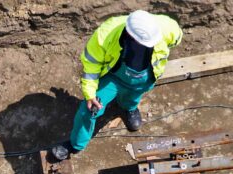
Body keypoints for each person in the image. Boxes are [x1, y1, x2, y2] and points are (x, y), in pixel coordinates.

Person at [51, 10, 182, 161]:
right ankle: (75, 145)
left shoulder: (167, 27)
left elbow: (177, 38)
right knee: (88, 111)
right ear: (129, 34)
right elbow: (91, 66)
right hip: (114, 78)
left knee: (132, 98)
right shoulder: (106, 34)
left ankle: (129, 109)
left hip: (143, 79)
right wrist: (90, 94)